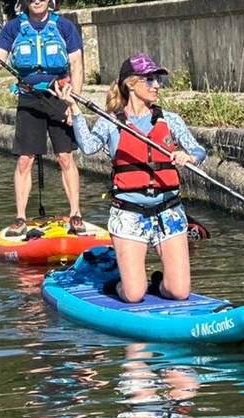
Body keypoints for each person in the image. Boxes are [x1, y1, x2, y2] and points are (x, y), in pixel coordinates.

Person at [55, 53, 206, 303]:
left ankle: (157, 283)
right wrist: (74, 109)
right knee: (133, 295)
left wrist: (189, 157)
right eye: (149, 79)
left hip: (168, 211)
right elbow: (88, 147)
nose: (156, 85)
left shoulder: (170, 120)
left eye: (157, 79)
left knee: (179, 291)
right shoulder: (111, 122)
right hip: (129, 213)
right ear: (130, 84)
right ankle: (116, 284)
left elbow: (199, 151)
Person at [0, 0, 85, 236]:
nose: (36, 1)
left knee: (64, 156)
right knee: (25, 160)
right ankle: (20, 217)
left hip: (59, 96)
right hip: (28, 97)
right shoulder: (14, 28)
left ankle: (76, 213)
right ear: (24, 1)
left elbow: (77, 65)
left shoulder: (65, 27)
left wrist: (73, 104)